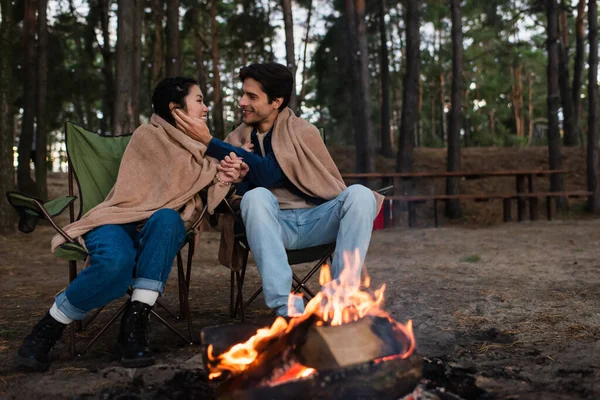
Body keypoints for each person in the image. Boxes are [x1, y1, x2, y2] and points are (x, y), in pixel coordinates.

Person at [17, 77, 241, 371]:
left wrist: (225, 175)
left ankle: (134, 324)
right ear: (176, 109)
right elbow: (151, 190)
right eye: (198, 100)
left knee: (168, 218)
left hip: (161, 230)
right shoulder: (147, 136)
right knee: (115, 265)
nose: (205, 107)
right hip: (117, 220)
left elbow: (206, 196)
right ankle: (49, 326)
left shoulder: (203, 149)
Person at [173, 63, 383, 318]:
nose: (242, 102)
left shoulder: (303, 132)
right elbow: (224, 198)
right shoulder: (236, 140)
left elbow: (271, 171)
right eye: (242, 94)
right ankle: (286, 307)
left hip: (317, 221)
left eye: (252, 96)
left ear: (276, 101)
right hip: (272, 227)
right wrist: (233, 177)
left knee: (360, 194)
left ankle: (340, 298)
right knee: (256, 196)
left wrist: (212, 144)